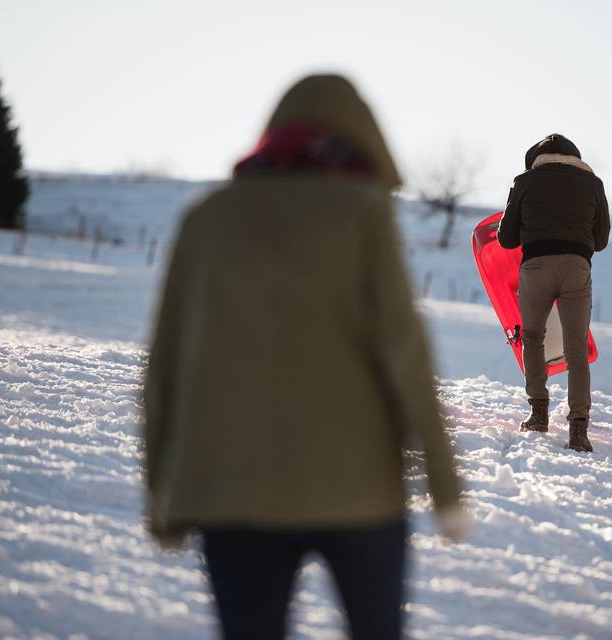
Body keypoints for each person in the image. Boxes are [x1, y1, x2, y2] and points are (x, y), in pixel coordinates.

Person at [141, 74, 466, 640]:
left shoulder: (206, 218)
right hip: (360, 494)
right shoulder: (363, 214)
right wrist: (444, 484)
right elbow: (406, 355)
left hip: (231, 497)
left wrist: (161, 496)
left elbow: (164, 367)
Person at [497, 133, 610, 452]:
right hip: (577, 267)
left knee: (532, 337)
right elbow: (600, 241)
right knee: (576, 347)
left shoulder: (524, 181)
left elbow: (506, 239)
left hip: (536, 267)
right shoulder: (594, 184)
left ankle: (539, 414)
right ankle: (578, 431)